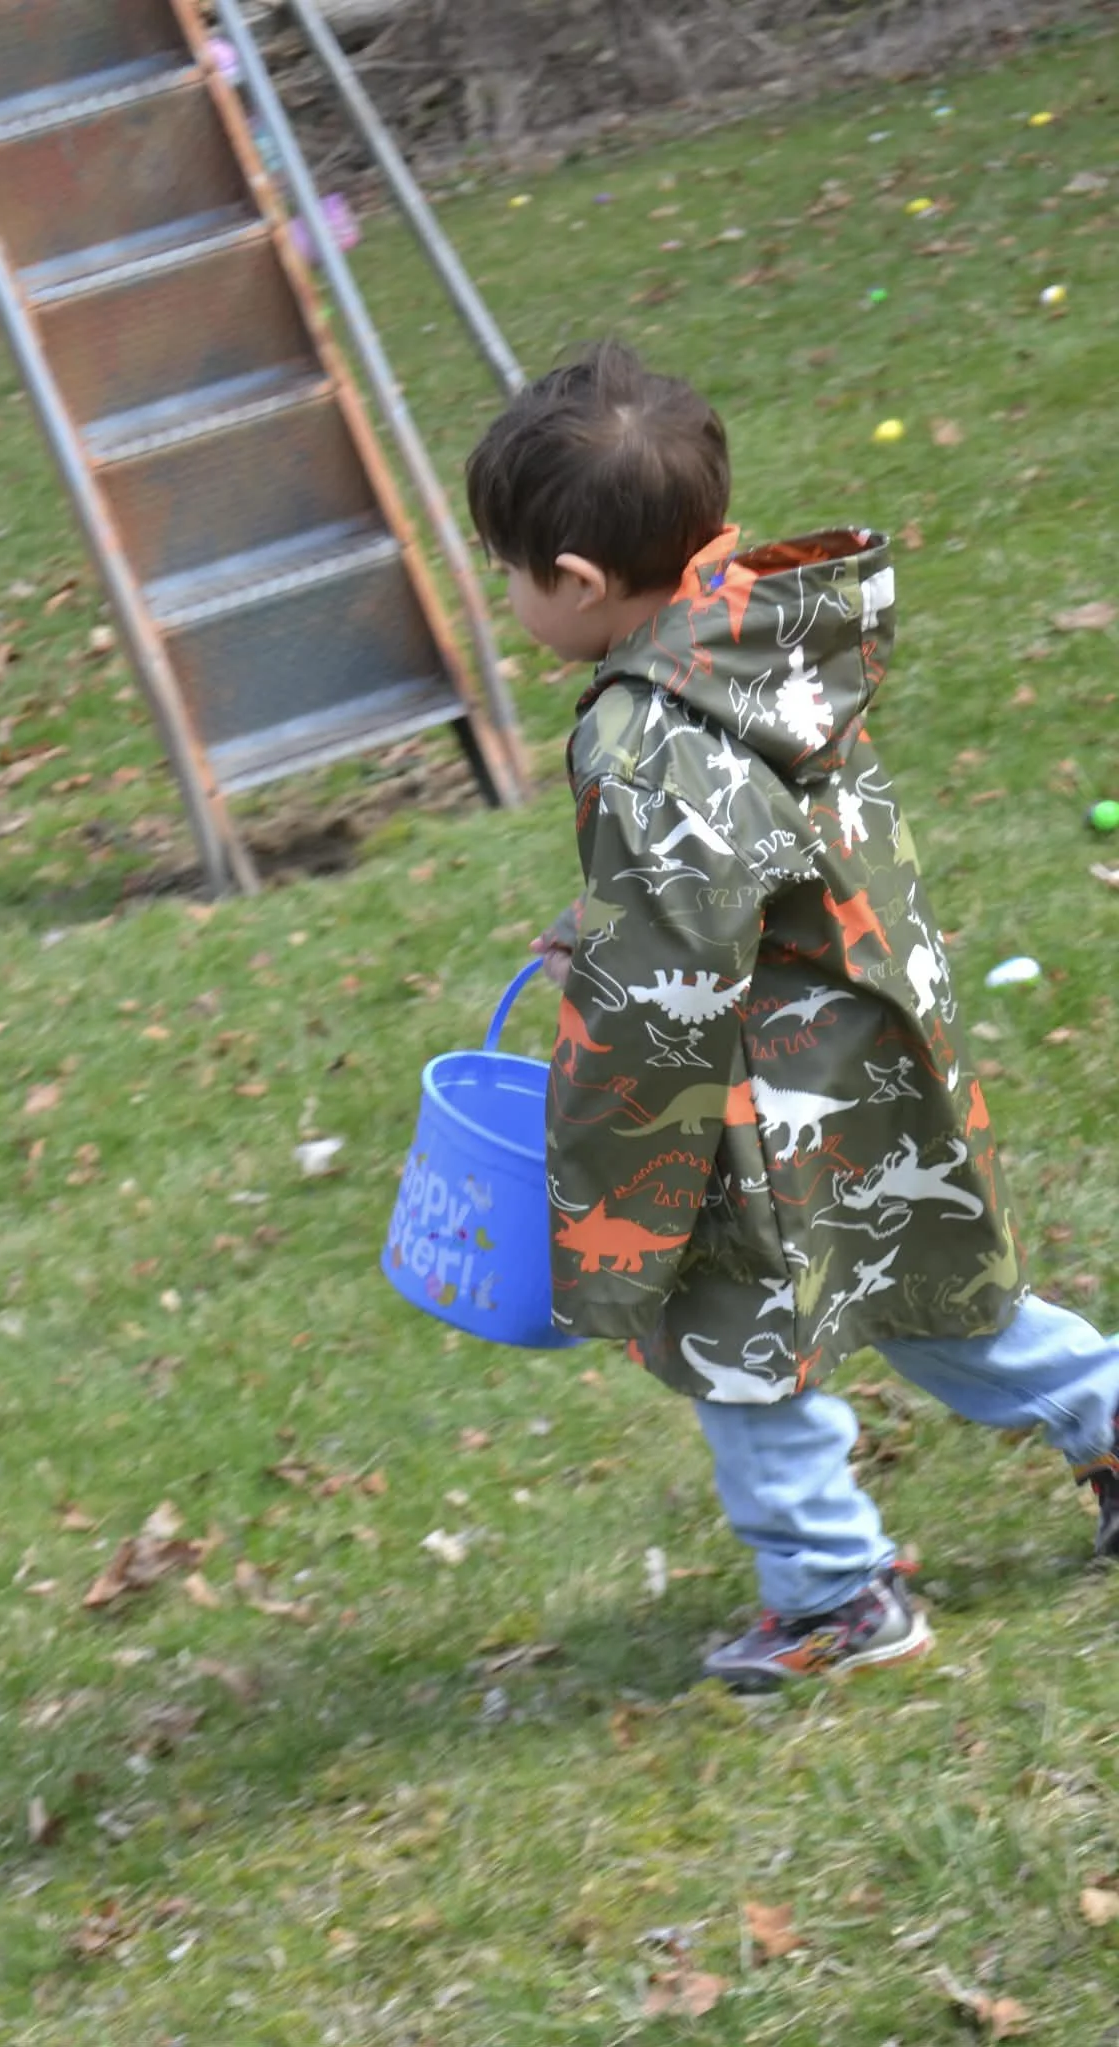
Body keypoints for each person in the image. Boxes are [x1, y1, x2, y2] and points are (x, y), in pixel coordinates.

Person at [464, 338, 1119, 1688]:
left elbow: (668, 988)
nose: (509, 594)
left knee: (739, 1343)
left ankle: (833, 1593)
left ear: (577, 584)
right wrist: (607, 919)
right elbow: (737, 870)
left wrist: (606, 1172)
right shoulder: (763, 642)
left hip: (755, 1101)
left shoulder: (647, 728)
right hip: (866, 1035)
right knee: (933, 1289)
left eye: (508, 572)